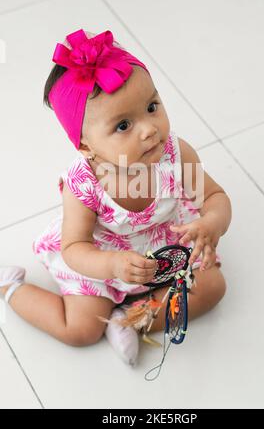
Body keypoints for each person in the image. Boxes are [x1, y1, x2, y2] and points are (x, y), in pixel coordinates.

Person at [0, 28, 231, 366]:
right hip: (104, 257)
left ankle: (129, 321)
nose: (149, 129)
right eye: (123, 126)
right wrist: (112, 265)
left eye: (152, 106)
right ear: (86, 147)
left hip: (165, 242)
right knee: (80, 330)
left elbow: (214, 196)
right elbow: (74, 248)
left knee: (212, 288)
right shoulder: (84, 185)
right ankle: (10, 289)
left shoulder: (175, 153)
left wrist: (212, 221)